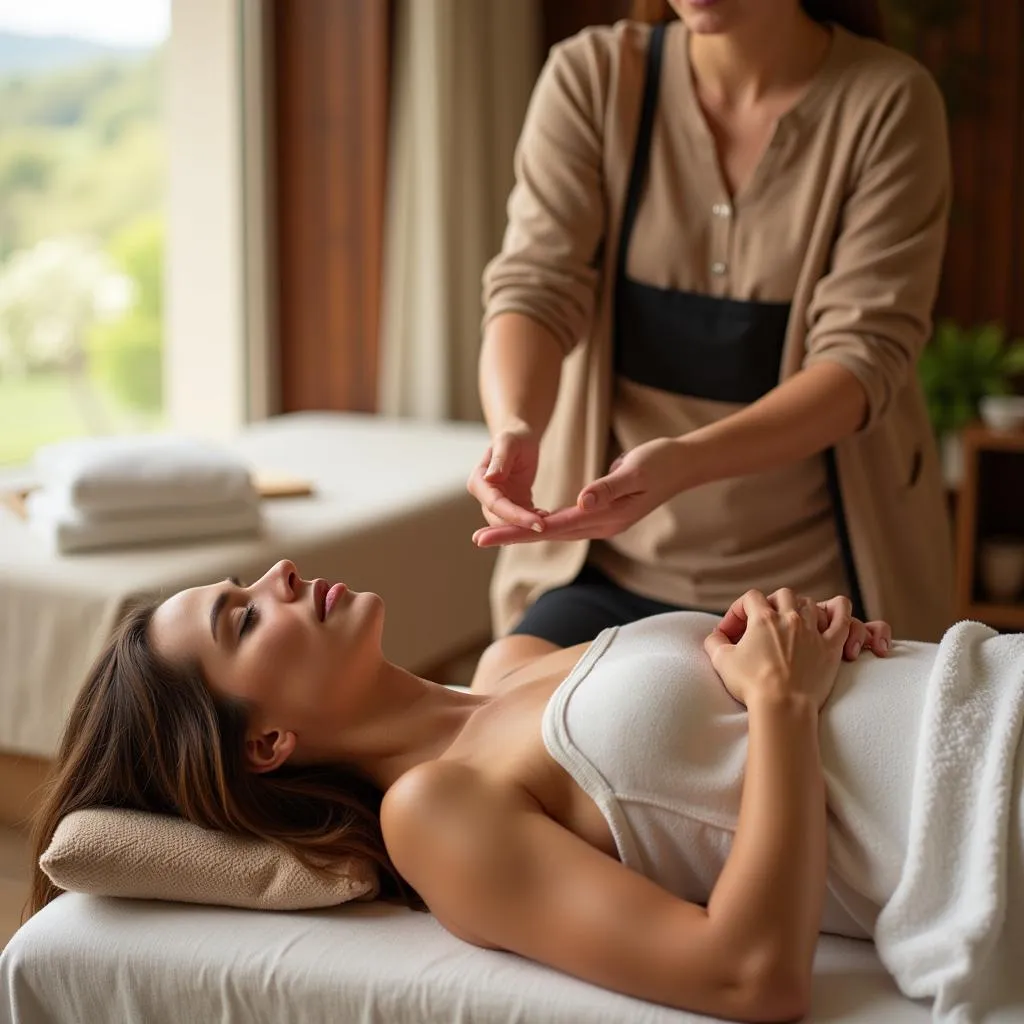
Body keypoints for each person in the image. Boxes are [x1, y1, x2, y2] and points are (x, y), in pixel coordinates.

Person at [30, 561, 1024, 1021]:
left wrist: (802, 636)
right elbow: (747, 975)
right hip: (990, 806)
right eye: (243, 621)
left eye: (244, 583)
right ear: (268, 744)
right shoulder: (434, 811)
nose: (280, 573)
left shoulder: (513, 657)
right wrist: (783, 707)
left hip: (988, 679)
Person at [468, 0, 955, 659]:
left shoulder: (887, 102)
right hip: (606, 571)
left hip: (815, 588)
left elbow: (861, 363)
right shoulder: (595, 77)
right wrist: (516, 426)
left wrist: (686, 462)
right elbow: (533, 286)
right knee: (500, 690)